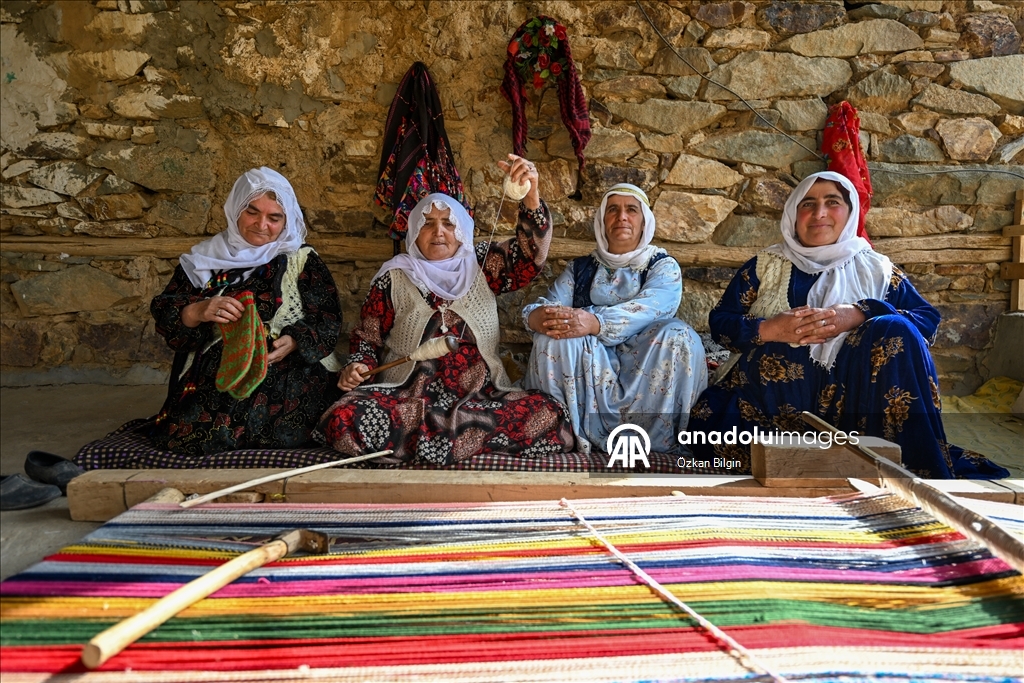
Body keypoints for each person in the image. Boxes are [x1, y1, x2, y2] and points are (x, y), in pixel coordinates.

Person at [688, 171, 1009, 479]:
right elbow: (720, 322)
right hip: (762, 414)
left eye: (832, 202)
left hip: (855, 409)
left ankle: (890, 465)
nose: (820, 213)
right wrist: (768, 330)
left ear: (850, 211)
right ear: (793, 213)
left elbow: (926, 322)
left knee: (895, 328)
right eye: (808, 203)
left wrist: (861, 313)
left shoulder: (877, 270)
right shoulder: (765, 266)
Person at [317, 156, 574, 465]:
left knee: (549, 412)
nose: (438, 232)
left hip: (481, 398)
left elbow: (528, 259)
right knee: (344, 416)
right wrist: (356, 367)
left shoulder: (481, 263)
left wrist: (531, 195)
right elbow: (367, 337)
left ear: (461, 231)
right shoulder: (394, 276)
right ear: (413, 232)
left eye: (448, 223)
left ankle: (418, 446)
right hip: (408, 397)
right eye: (427, 223)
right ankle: (463, 443)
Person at [144, 167, 342, 459]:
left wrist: (296, 341)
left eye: (274, 217)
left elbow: (327, 317)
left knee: (308, 424)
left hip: (291, 363)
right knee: (194, 432)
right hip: (226, 362)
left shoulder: (301, 259)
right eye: (252, 212)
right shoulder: (204, 260)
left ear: (286, 220)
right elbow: (166, 308)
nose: (262, 225)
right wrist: (197, 310)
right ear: (236, 209)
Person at [522, 183, 707, 455]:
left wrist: (594, 322)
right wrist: (538, 317)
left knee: (678, 336)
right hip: (591, 365)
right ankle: (568, 435)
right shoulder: (580, 269)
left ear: (644, 221)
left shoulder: (662, 265)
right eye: (613, 210)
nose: (622, 217)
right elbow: (552, 306)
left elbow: (654, 307)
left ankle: (652, 443)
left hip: (645, 359)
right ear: (602, 221)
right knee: (553, 340)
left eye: (631, 210)